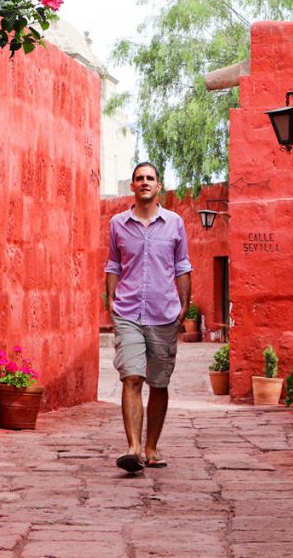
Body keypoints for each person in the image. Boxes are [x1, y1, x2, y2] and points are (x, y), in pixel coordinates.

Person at [104, 161, 192, 473]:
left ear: (158, 186)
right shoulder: (117, 223)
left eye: (150, 178)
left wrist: (184, 305)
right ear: (132, 186)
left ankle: (151, 448)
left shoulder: (174, 223)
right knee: (131, 377)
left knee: (158, 382)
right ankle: (133, 448)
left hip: (164, 313)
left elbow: (182, 266)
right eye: (139, 178)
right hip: (128, 311)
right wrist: (111, 298)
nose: (144, 182)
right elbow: (114, 264)